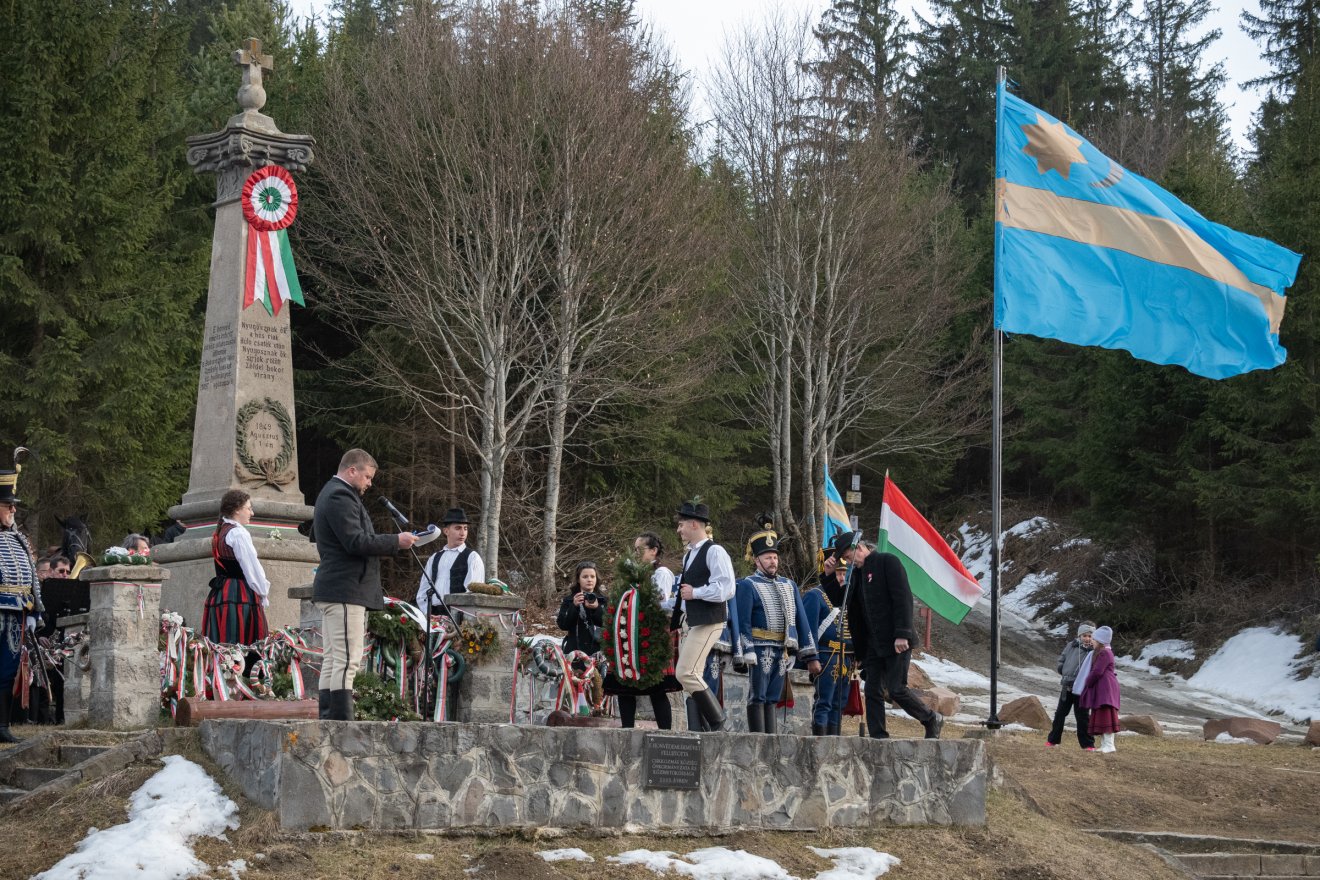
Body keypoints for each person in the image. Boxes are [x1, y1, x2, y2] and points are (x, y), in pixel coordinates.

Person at [310, 449, 417, 721]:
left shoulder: (334, 493)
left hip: (339, 588)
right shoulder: (339, 495)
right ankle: (341, 726)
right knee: (347, 660)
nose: (370, 483)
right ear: (352, 471)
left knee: (335, 659)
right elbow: (356, 542)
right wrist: (396, 541)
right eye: (367, 476)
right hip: (345, 589)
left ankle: (330, 722)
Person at [840, 533, 943, 739]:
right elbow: (849, 607)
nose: (849, 562)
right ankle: (878, 736)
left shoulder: (888, 562)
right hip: (873, 645)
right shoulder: (857, 576)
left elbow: (903, 598)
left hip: (897, 641)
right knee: (872, 691)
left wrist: (903, 634)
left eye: (849, 557)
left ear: (859, 548)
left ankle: (930, 718)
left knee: (896, 689)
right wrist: (860, 651)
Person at [735, 525, 820, 733]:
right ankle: (758, 739)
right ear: (756, 561)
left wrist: (808, 654)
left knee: (773, 696)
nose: (773, 561)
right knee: (758, 695)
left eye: (774, 557)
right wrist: (746, 650)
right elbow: (742, 620)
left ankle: (770, 740)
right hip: (759, 648)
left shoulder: (789, 584)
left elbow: (801, 620)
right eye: (767, 558)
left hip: (782, 650)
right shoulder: (747, 585)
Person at [605, 537, 682, 729]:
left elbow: (658, 602)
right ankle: (627, 731)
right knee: (624, 686)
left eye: (640, 550)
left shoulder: (661, 572)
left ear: (653, 550)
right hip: (631, 632)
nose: (635, 554)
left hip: (651, 633)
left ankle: (665, 734)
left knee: (657, 688)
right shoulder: (631, 575)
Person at [672, 500, 735, 732]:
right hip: (694, 621)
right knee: (692, 678)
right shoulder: (689, 555)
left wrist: (695, 593)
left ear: (694, 524)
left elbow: (727, 589)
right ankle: (700, 731)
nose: (678, 530)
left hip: (710, 620)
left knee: (685, 673)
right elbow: (685, 594)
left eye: (681, 525)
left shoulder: (715, 551)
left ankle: (718, 721)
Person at [0, 465, 41, 743]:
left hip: (16, 613)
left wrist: (37, 610)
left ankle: (2, 726)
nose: (13, 511)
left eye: (13, 506)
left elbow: (33, 579)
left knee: (7, 669)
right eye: (7, 505)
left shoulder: (19, 539)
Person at [201, 490, 271, 647]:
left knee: (223, 642)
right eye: (248, 508)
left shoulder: (221, 530)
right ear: (237, 509)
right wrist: (263, 591)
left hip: (221, 593)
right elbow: (251, 568)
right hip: (239, 595)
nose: (251, 513)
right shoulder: (238, 533)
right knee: (241, 641)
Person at [802, 548, 851, 736]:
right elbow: (808, 631)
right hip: (826, 655)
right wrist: (812, 657)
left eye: (845, 573)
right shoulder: (815, 595)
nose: (841, 578)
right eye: (838, 572)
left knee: (840, 704)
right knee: (824, 702)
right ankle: (820, 744)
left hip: (846, 658)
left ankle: (834, 743)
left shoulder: (847, 598)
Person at [415, 507, 485, 621]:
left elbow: (472, 594)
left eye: (465, 528)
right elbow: (423, 591)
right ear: (446, 531)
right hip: (433, 618)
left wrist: (459, 618)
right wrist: (427, 614)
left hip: (460, 618)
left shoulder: (472, 557)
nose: (462, 533)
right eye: (458, 528)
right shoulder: (434, 558)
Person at [1047, 622, 1096, 750]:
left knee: (1083, 716)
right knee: (1060, 714)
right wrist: (1061, 668)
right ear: (1079, 636)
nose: (1087, 638)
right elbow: (1062, 658)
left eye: (1090, 636)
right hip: (1067, 685)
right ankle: (1053, 740)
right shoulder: (1071, 645)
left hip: (1082, 688)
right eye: (1084, 635)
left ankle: (1087, 744)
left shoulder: (1094, 650)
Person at [1077, 625, 1121, 753]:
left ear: (1101, 641)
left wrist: (1087, 682)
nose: (1092, 641)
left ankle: (1109, 745)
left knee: (1106, 714)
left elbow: (1097, 671)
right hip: (1103, 687)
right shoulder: (1103, 652)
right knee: (1101, 714)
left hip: (1106, 688)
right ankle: (1104, 744)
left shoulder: (1105, 653)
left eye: (1094, 640)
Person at [557, 561, 607, 656]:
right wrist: (574, 607)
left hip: (598, 653)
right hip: (574, 652)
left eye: (592, 576)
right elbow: (563, 625)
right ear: (578, 579)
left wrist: (597, 609)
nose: (589, 580)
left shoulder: (603, 600)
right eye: (585, 577)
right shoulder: (569, 600)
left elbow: (610, 625)